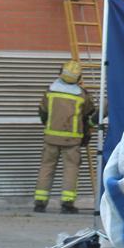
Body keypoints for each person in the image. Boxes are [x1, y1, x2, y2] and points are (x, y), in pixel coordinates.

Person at [34, 60, 97, 214]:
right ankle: (67, 204)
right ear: (78, 77)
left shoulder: (50, 92)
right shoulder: (82, 95)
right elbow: (89, 113)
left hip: (51, 138)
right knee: (71, 169)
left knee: (46, 167)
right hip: (72, 140)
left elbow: (42, 112)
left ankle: (40, 203)